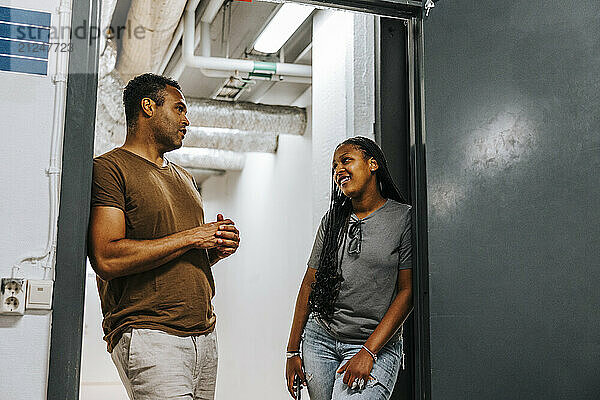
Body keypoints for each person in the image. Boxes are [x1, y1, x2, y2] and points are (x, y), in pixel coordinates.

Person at [88, 73, 240, 400]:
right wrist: (193, 237)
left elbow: (179, 253)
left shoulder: (184, 178)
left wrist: (214, 248)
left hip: (204, 334)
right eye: (179, 109)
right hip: (150, 333)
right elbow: (107, 257)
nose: (186, 120)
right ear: (148, 107)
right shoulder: (110, 168)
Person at [285, 136, 413, 400]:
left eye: (346, 161)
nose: (338, 170)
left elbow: (407, 292)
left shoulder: (403, 218)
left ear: (373, 164)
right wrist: (292, 351)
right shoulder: (332, 220)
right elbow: (309, 283)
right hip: (320, 340)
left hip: (373, 343)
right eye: (334, 167)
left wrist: (368, 352)